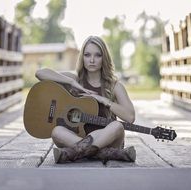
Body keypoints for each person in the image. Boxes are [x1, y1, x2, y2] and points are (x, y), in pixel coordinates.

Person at [35, 36, 136, 164]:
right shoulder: (75, 80)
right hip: (78, 138)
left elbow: (130, 117)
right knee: (57, 131)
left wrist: (105, 101)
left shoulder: (114, 86)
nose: (92, 60)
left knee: (117, 126)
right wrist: (71, 81)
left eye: (97, 55)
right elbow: (40, 73)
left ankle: (75, 152)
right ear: (82, 57)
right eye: (87, 55)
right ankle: (102, 153)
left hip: (109, 140)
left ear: (104, 58)